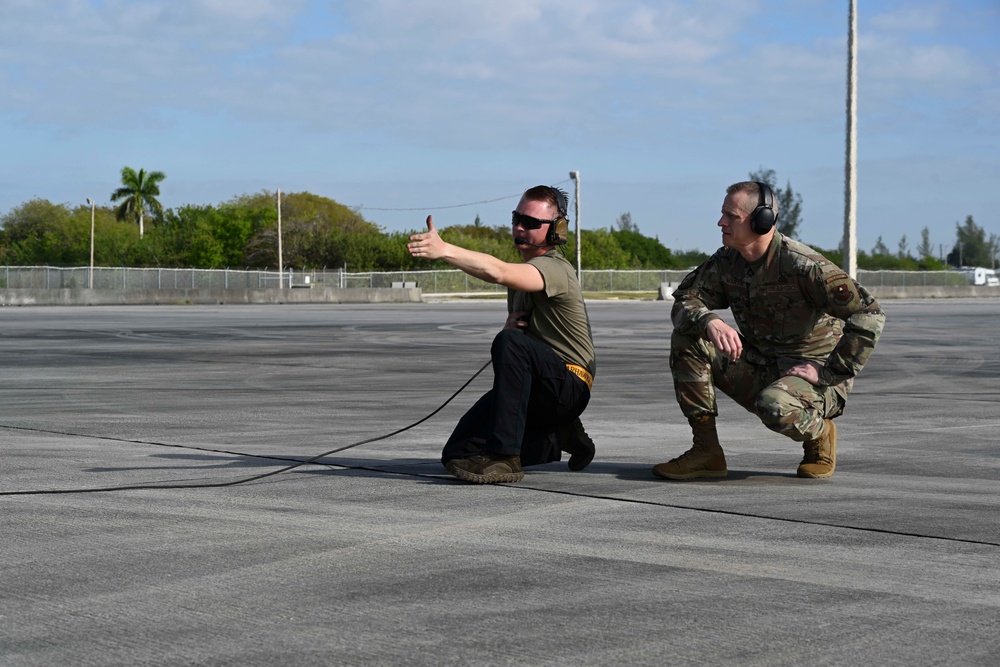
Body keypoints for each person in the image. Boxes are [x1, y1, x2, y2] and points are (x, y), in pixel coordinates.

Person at [653, 181, 886, 480]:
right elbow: (685, 300)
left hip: (811, 379)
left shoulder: (803, 266)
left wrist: (829, 373)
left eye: (730, 216)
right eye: (722, 214)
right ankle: (706, 451)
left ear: (761, 222)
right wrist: (709, 320)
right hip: (762, 366)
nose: (720, 222)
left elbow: (869, 314)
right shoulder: (726, 262)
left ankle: (820, 433)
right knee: (688, 337)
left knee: (774, 405)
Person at [407, 185, 597, 484]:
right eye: (516, 219)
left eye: (532, 223)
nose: (520, 228)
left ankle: (506, 457)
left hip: (570, 385)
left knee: (509, 343)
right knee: (458, 454)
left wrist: (445, 250)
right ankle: (558, 436)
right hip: (541, 387)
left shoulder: (556, 268)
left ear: (556, 230)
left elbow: (497, 271)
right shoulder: (523, 273)